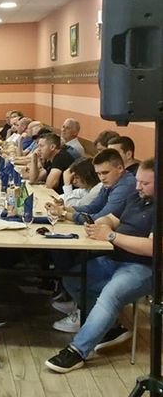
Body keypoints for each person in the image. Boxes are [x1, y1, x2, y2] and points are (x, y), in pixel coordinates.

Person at [45, 159, 156, 373]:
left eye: (145, 183)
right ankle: (109, 326)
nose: (138, 187)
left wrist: (111, 236)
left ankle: (77, 351)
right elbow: (112, 219)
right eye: (138, 181)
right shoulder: (136, 197)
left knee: (110, 295)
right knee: (73, 278)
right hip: (114, 259)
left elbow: (152, 248)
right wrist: (100, 225)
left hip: (142, 267)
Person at [46, 149, 137, 224]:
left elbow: (99, 218)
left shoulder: (125, 186)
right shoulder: (111, 181)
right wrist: (65, 208)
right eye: (98, 174)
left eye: (105, 173)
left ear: (120, 168)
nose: (102, 178)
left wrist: (64, 213)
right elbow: (93, 207)